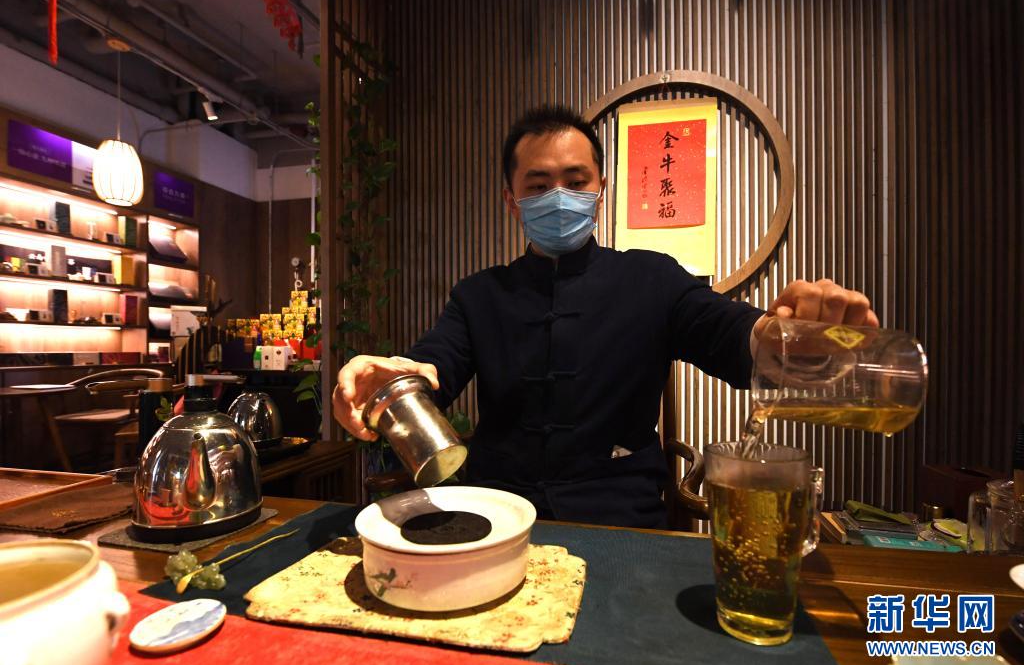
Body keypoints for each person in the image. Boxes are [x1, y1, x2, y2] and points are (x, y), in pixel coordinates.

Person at [333, 105, 878, 529]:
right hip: (498, 518)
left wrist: (789, 334)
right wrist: (392, 377)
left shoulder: (652, 278)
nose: (559, 197)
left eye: (576, 181)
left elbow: (732, 334)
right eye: (538, 186)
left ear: (600, 191)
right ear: (511, 200)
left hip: (621, 520)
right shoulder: (480, 294)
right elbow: (434, 364)